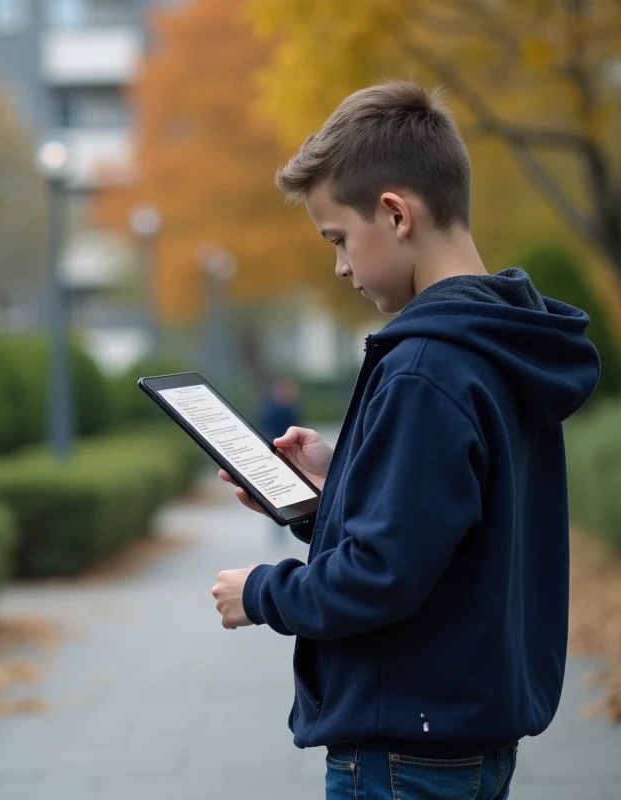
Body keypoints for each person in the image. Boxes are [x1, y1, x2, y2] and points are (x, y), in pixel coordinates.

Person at [209, 80, 600, 800]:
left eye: (338, 239)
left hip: (401, 760)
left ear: (393, 213)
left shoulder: (426, 365)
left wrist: (262, 592)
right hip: (465, 740)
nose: (341, 267)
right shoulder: (498, 344)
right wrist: (343, 485)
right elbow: (443, 540)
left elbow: (382, 576)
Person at [258, 376, 302, 546]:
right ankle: (280, 525)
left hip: (290, 453)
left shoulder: (289, 407)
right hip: (277, 453)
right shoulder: (272, 409)